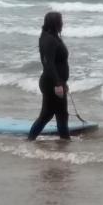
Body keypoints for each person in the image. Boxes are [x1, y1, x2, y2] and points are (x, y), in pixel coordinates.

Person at [28, 11, 70, 140]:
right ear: (55, 23)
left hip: (53, 82)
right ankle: (30, 139)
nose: (62, 23)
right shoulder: (50, 40)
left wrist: (62, 82)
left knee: (60, 114)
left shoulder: (50, 36)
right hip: (51, 83)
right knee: (48, 115)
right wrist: (58, 83)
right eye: (60, 21)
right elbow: (49, 64)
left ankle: (64, 141)